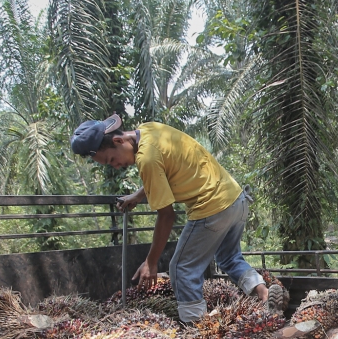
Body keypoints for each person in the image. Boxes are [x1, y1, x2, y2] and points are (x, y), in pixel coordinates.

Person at [71, 114, 271, 323]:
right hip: (236, 199)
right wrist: (138, 195)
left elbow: (166, 216)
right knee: (228, 257)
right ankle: (262, 292)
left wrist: (151, 262)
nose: (116, 166)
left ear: (118, 141)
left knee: (181, 268)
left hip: (212, 208)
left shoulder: (146, 159)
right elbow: (164, 170)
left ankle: (198, 329)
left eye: (112, 159)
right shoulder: (149, 129)